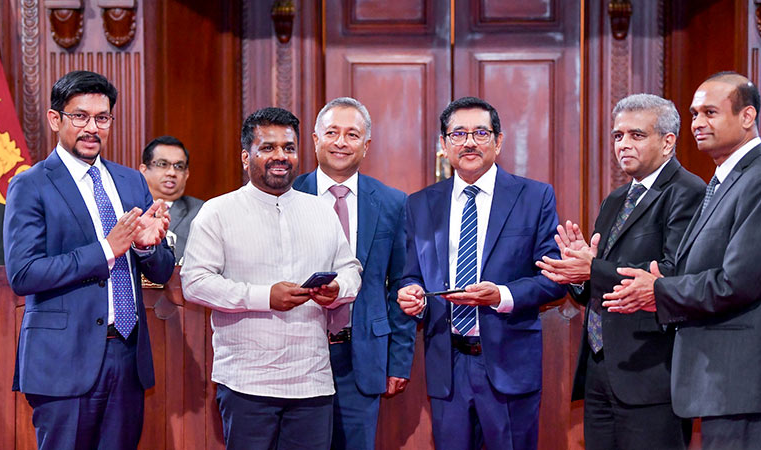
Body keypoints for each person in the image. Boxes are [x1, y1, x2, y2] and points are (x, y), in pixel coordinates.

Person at [602, 73, 761, 450]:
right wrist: (659, 284)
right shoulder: (727, 179)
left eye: (710, 112)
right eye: (694, 114)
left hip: (741, 380)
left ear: (747, 116)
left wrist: (659, 290)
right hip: (722, 381)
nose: (697, 123)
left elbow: (738, 283)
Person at [4, 70, 175, 449]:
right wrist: (106, 250)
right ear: (55, 119)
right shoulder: (31, 184)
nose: (92, 128)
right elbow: (24, 274)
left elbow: (162, 271)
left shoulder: (131, 181)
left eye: (102, 118)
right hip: (63, 361)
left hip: (127, 356)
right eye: (80, 116)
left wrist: (145, 247)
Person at [180, 107, 362, 450]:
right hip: (246, 383)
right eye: (268, 147)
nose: (280, 156)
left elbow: (350, 269)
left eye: (288, 148)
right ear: (245, 156)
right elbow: (195, 282)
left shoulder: (321, 211)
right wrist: (264, 297)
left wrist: (338, 289)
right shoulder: (218, 211)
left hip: (312, 381)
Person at [536, 93, 704, 449]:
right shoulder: (615, 199)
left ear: (668, 142)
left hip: (651, 371)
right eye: (617, 135)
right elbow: (597, 284)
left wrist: (593, 268)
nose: (623, 144)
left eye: (636, 135)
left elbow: (673, 273)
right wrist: (578, 272)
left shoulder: (687, 191)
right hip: (601, 368)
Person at [397, 96, 565, 450]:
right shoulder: (420, 204)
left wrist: (502, 296)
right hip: (448, 366)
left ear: (498, 141)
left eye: (480, 133)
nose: (469, 142)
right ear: (444, 144)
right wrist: (412, 294)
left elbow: (554, 279)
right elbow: (411, 274)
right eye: (458, 134)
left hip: (509, 365)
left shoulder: (534, 197)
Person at [292, 97, 415, 450]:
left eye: (352, 134)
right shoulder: (288, 194)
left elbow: (401, 283)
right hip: (297, 352)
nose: (341, 142)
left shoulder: (392, 202)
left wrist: (399, 361)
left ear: (366, 145)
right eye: (332, 132)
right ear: (315, 139)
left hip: (361, 356)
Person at [139, 135, 204, 262]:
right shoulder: (128, 207)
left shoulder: (201, 211)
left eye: (179, 166)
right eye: (163, 164)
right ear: (144, 170)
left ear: (186, 174)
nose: (171, 173)